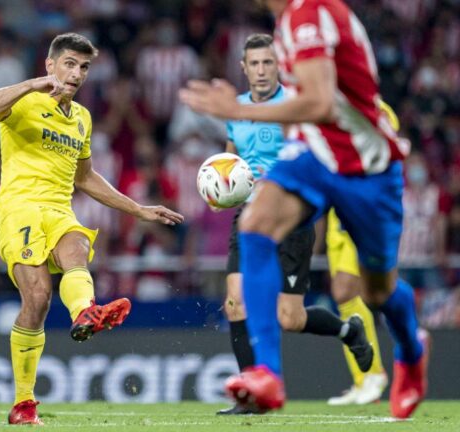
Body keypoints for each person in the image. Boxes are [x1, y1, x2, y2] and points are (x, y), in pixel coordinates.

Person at [180, 0, 428, 419]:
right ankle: (265, 374)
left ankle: (412, 350)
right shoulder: (286, 22)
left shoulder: (309, 14)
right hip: (314, 155)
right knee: (255, 224)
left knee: (377, 291)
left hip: (365, 165)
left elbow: (320, 104)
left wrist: (238, 110)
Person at [0, 33, 184, 425]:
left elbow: (85, 178)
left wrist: (138, 209)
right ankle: (23, 402)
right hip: (19, 209)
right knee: (37, 299)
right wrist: (31, 84)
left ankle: (86, 312)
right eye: (69, 64)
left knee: (77, 248)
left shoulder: (82, 118)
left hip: (58, 209)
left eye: (84, 67)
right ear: (50, 65)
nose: (77, 74)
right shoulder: (25, 101)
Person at [217, 33, 373, 416]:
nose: (261, 70)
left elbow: (312, 154)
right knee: (235, 301)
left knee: (290, 318)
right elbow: (231, 162)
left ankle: (348, 330)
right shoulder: (236, 111)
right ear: (244, 68)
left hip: (290, 216)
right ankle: (250, 395)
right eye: (254, 63)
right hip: (250, 216)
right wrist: (221, 187)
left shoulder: (295, 104)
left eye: (267, 62)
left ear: (279, 65)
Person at [325, 100, 403, 406]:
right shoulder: (332, 105)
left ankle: (384, 369)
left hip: (362, 207)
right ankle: (366, 378)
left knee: (358, 291)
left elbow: (381, 158)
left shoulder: (378, 110)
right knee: (344, 296)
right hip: (337, 214)